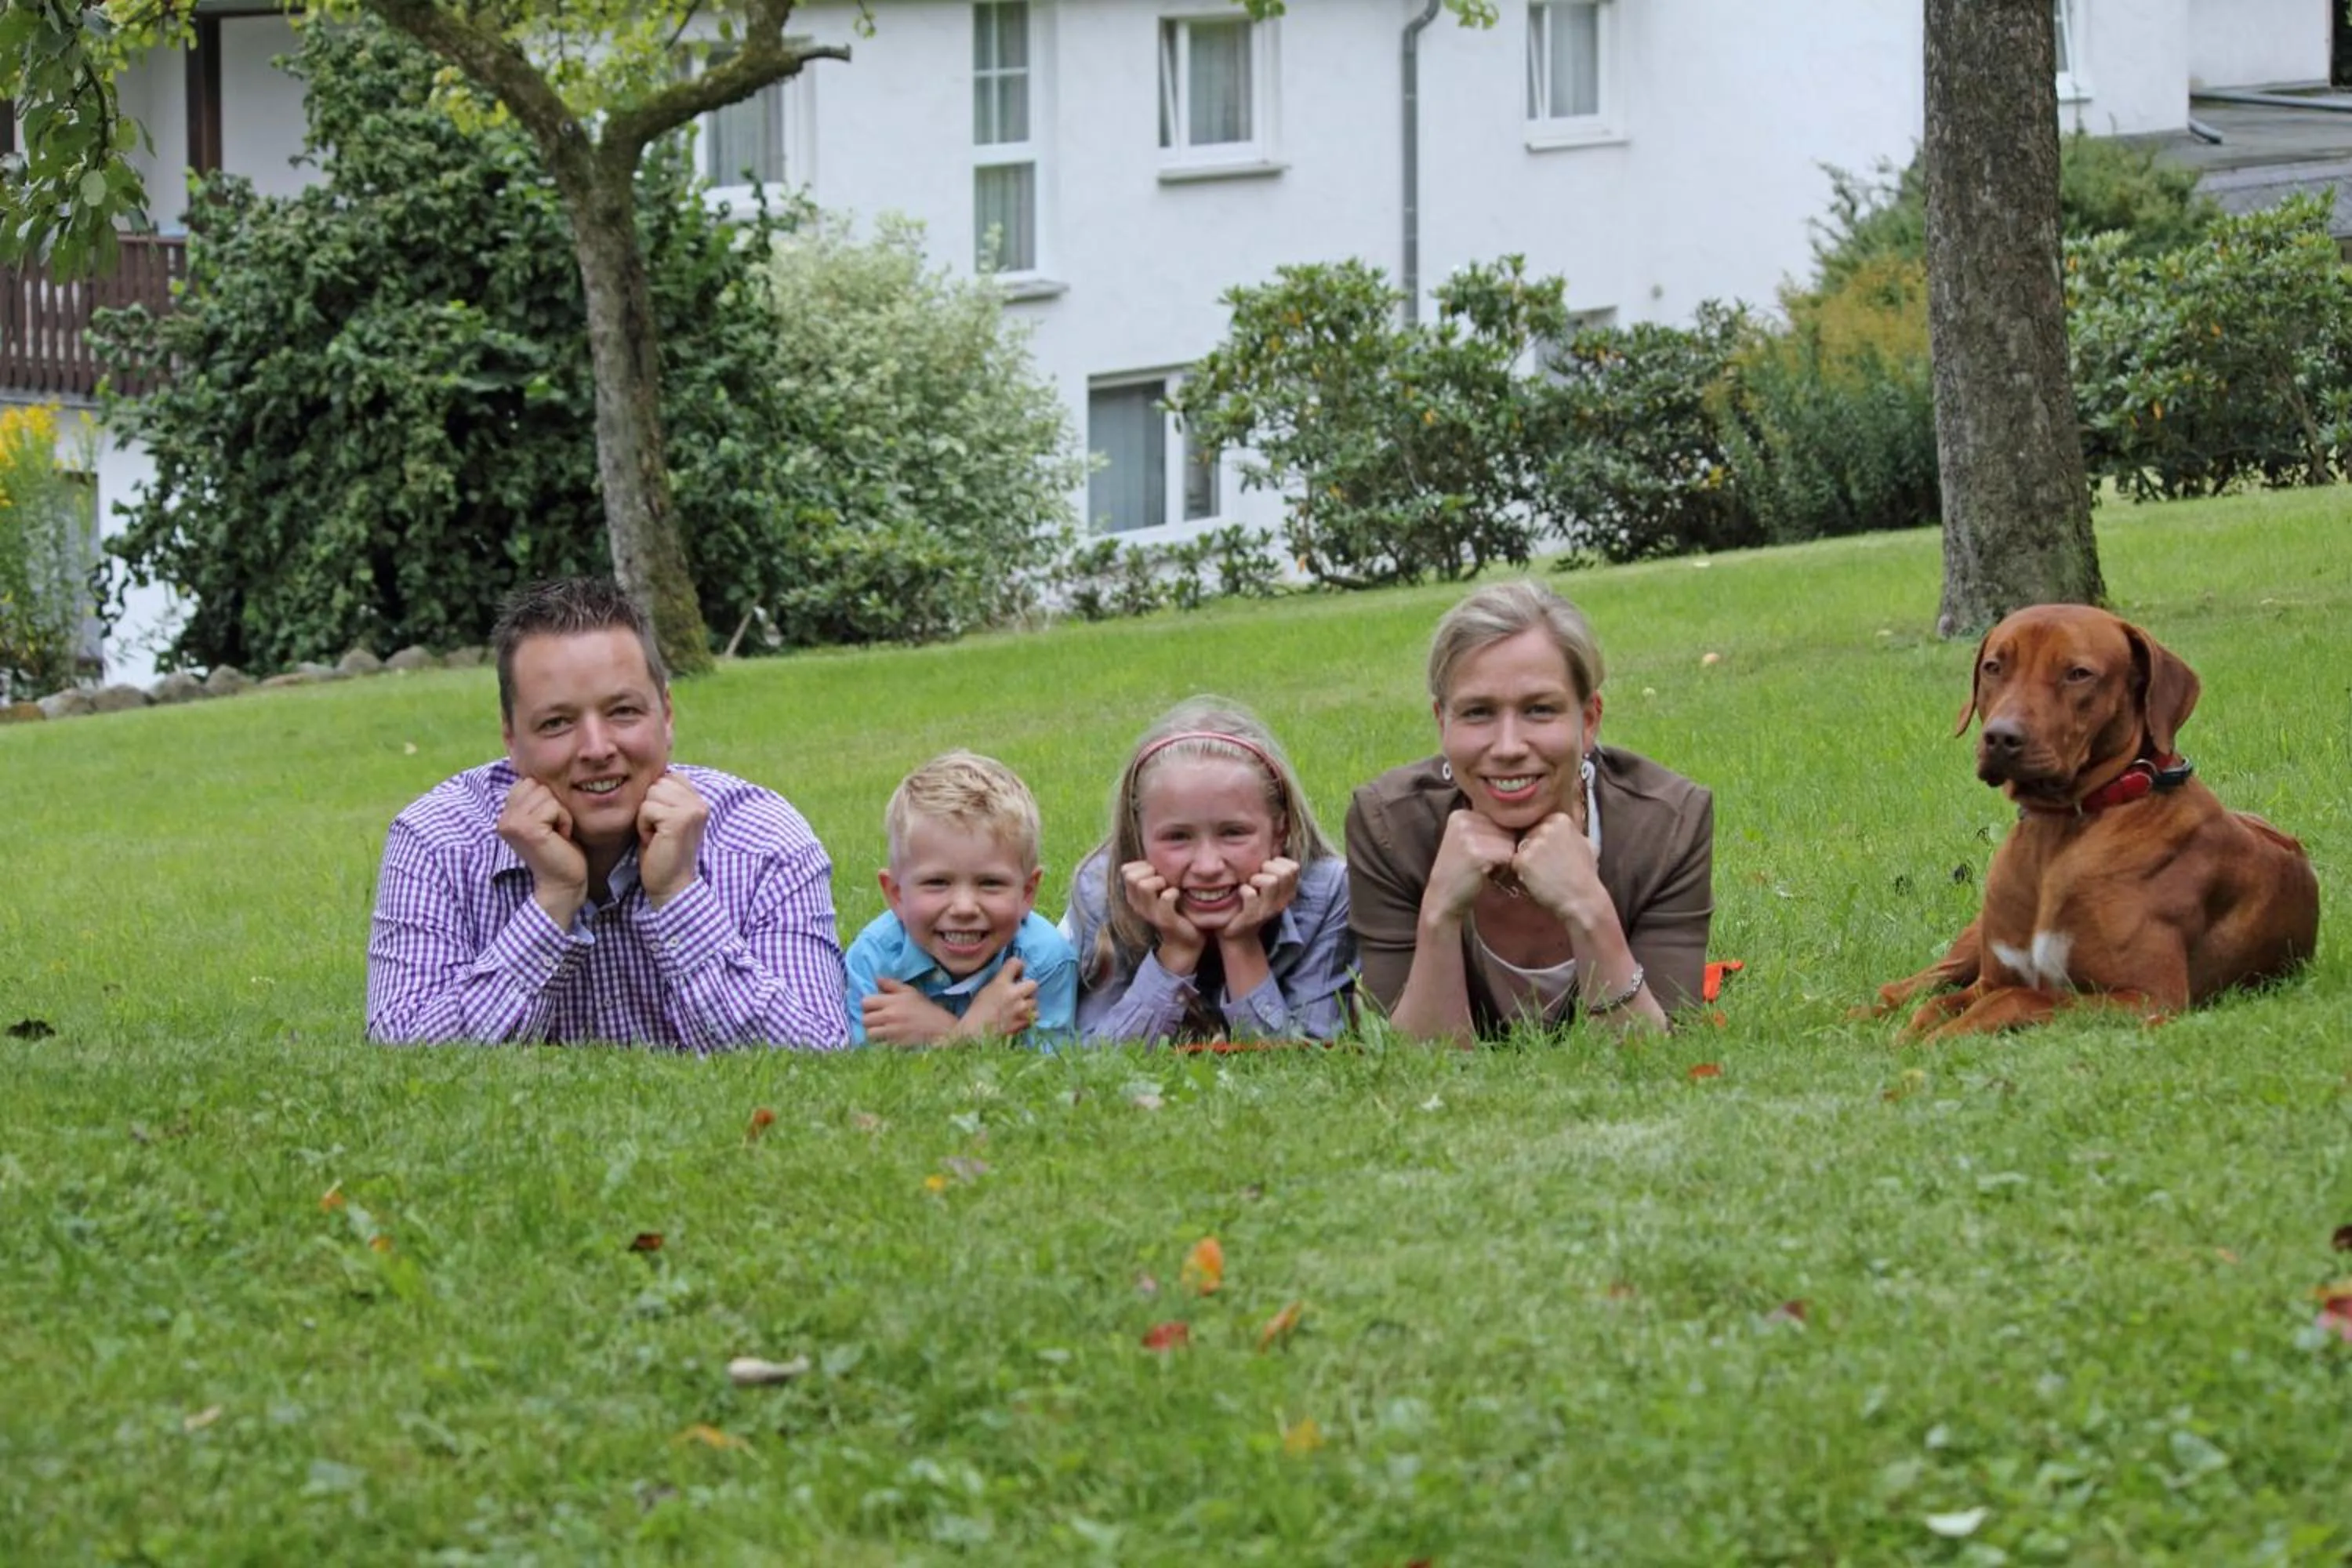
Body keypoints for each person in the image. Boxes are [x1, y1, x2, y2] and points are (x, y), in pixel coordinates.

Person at [365, 577, 851, 1051]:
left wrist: (677, 895)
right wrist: (553, 902)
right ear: (511, 739)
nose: (597, 749)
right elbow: (402, 1058)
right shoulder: (435, 840)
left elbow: (816, 1052)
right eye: (557, 723)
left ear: (667, 715)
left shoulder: (763, 840)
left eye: (623, 712)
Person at [1346, 579, 1713, 1042]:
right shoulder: (1387, 824)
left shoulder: (1670, 822)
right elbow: (1417, 1063)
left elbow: (1658, 1053)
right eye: (1478, 712)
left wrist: (1588, 907)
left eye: (1539, 710)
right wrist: (1439, 912)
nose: (1508, 747)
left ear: (1589, 719)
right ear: (1443, 722)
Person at [1062, 697, 1354, 1044]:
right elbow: (1098, 1056)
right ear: (1136, 837)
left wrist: (1241, 942)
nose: (1208, 866)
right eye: (1177, 837)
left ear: (1281, 831)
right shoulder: (1101, 889)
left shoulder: (1328, 890)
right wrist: (1177, 950)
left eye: (1234, 833)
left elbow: (1305, 1058)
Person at [844, 751, 1079, 1047]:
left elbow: (1047, 1078)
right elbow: (867, 1078)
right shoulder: (875, 959)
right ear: (897, 895)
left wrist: (949, 1036)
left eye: (990, 883)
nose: (965, 908)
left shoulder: (1045, 961)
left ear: (1027, 893)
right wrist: (971, 1034)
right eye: (937, 883)